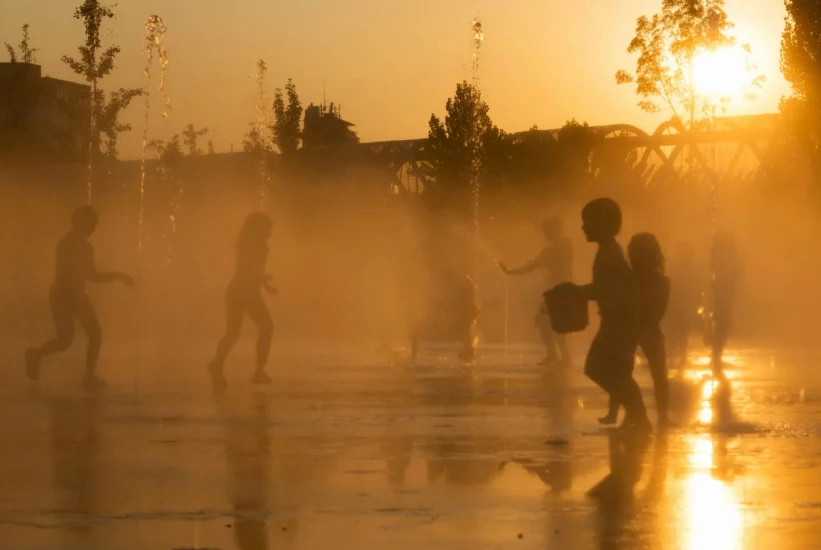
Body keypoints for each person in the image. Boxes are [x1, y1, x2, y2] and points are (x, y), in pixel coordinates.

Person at [25, 206, 134, 393]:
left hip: (71, 294)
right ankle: (37, 355)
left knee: (85, 336)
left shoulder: (75, 244)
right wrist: (118, 276)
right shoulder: (72, 245)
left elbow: (88, 275)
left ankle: (86, 376)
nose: (94, 230)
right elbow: (88, 275)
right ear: (81, 224)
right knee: (68, 340)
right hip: (65, 295)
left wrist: (117, 276)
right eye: (92, 225)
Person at [579, 198, 650, 432]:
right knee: (617, 372)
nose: (583, 227)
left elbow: (605, 289)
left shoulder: (609, 253)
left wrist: (575, 291)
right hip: (619, 321)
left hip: (619, 323)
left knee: (598, 368)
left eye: (588, 222)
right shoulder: (608, 250)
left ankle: (638, 414)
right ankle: (636, 416)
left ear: (605, 223)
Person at [600, 233, 670, 428]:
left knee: (657, 375)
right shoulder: (629, 278)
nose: (637, 257)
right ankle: (615, 413)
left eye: (641, 252)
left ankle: (662, 416)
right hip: (631, 329)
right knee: (622, 372)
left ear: (651, 255)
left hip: (646, 330)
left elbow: (659, 312)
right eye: (635, 252)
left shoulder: (661, 281)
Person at [208, 212, 276, 390]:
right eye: (267, 227)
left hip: (239, 290)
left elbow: (250, 270)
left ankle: (217, 363)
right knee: (265, 327)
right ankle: (259, 371)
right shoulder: (256, 246)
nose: (270, 231)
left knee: (234, 333)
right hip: (244, 291)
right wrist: (262, 281)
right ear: (259, 228)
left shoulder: (251, 245)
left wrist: (264, 284)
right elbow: (247, 270)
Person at [500, 216, 574, 366]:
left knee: (552, 323)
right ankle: (555, 355)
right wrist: (510, 272)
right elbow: (533, 266)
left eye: (549, 230)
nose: (546, 234)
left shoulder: (564, 245)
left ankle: (562, 357)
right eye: (546, 230)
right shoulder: (552, 249)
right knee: (544, 322)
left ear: (557, 230)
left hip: (562, 290)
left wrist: (512, 272)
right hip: (555, 290)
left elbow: (552, 262)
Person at [411, 267, 478, 364]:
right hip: (463, 309)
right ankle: (414, 350)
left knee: (465, 330)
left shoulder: (462, 282)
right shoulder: (463, 282)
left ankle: (414, 350)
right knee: (465, 330)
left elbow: (460, 301)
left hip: (463, 309)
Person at [711, 232, 740, 379]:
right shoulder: (726, 256)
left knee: (722, 325)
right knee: (722, 325)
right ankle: (716, 355)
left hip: (723, 295)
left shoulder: (722, 256)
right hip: (722, 295)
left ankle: (716, 354)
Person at [666, 242, 699, 365]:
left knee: (680, 332)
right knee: (680, 332)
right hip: (679, 305)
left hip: (680, 305)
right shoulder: (685, 270)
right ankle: (679, 356)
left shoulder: (677, 269)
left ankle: (679, 356)